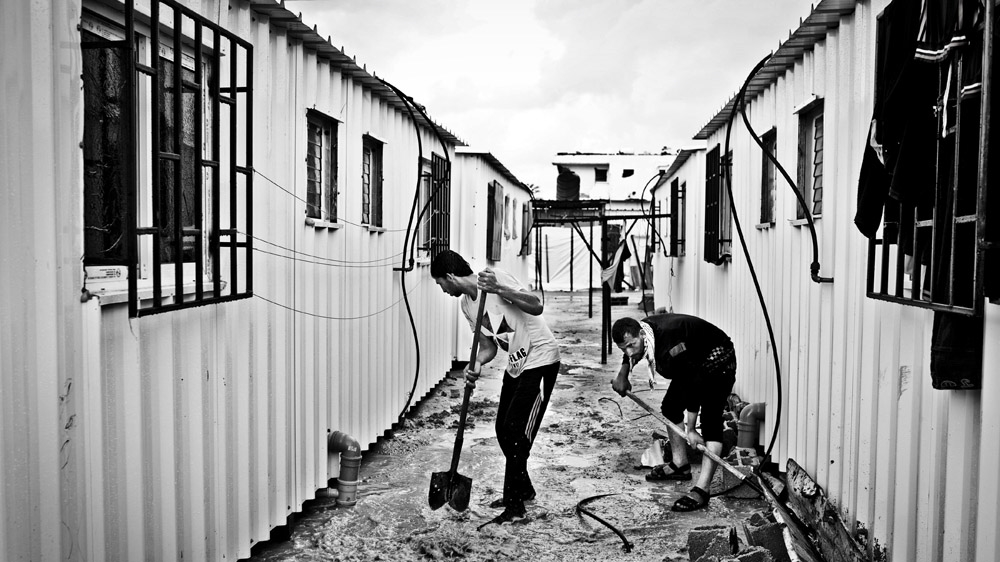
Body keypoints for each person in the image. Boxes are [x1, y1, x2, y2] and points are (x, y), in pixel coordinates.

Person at [431, 250, 561, 524]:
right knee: (502, 429)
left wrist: (499, 288)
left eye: (440, 283)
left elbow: (536, 306)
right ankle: (522, 489)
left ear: (450, 276)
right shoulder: (467, 305)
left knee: (515, 431)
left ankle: (515, 507)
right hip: (517, 363)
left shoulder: (493, 279)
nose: (442, 289)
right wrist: (475, 363)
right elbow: (488, 347)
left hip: (540, 358)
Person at [610, 313, 737, 512]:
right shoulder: (642, 333)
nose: (629, 351)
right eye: (623, 348)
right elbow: (629, 348)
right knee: (670, 408)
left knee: (711, 421)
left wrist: (692, 428)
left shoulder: (670, 344)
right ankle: (680, 465)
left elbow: (694, 383)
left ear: (642, 335)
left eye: (632, 345)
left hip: (717, 358)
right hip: (691, 363)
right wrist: (623, 374)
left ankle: (702, 490)